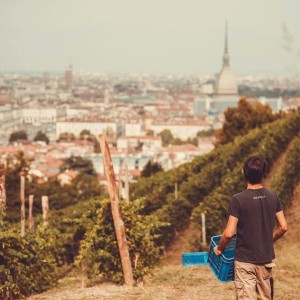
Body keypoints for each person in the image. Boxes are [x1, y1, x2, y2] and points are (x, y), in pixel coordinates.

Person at [214, 156, 288, 300]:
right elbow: (284, 227)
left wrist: (220, 248)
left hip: (245, 262)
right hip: (266, 260)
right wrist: (270, 239)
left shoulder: (238, 199)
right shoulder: (273, 196)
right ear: (263, 173)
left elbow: (229, 233)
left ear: (244, 173)